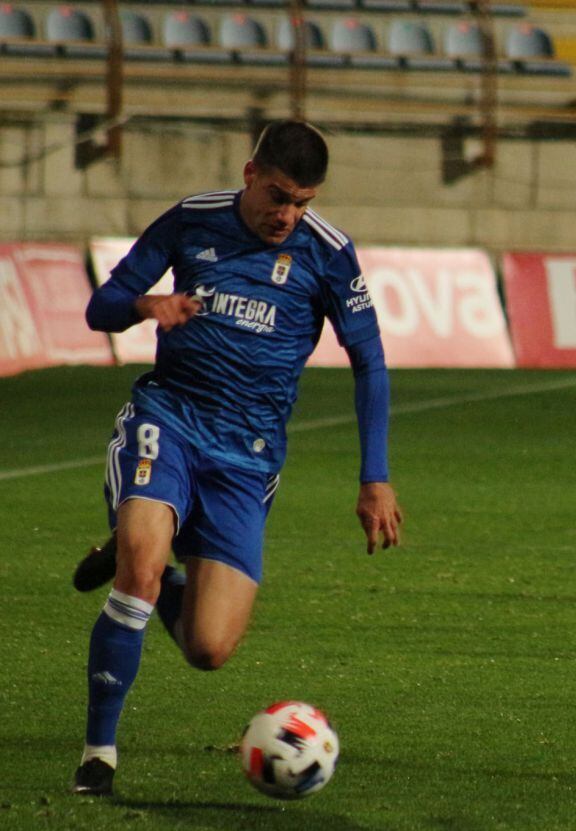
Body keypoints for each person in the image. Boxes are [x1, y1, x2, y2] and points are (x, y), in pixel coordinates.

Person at [71, 120, 402, 796]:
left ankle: (153, 554)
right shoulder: (193, 220)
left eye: (303, 201)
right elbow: (99, 307)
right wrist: (144, 302)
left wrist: (375, 478)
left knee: (209, 648)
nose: (288, 214)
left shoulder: (328, 253)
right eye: (279, 195)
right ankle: (98, 753)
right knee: (137, 572)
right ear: (251, 174)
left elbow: (369, 359)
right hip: (169, 419)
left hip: (247, 459)